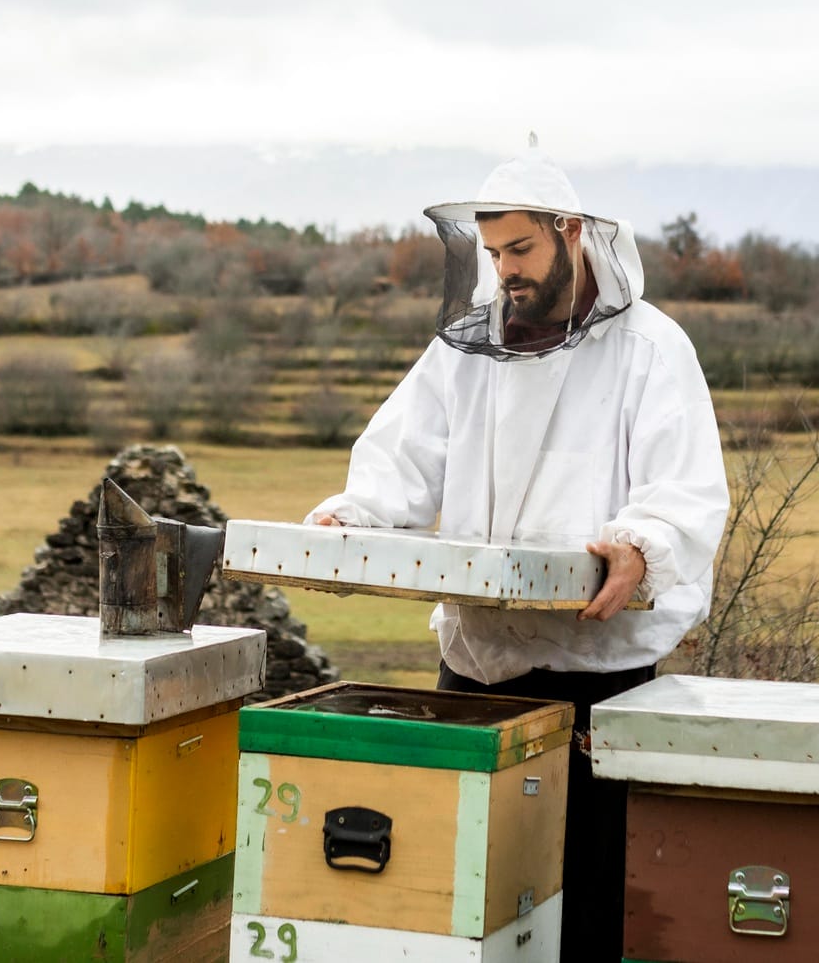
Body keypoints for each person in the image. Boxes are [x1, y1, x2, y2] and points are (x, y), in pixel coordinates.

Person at [307, 139, 728, 963]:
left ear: (571, 231)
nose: (506, 270)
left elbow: (682, 491)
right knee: (469, 901)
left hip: (597, 684)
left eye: (521, 248)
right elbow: (401, 461)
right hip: (474, 672)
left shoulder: (650, 349)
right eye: (495, 252)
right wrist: (351, 518)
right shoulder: (465, 351)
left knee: (592, 907)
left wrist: (642, 546)